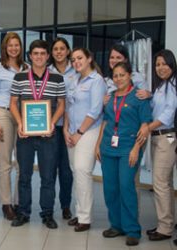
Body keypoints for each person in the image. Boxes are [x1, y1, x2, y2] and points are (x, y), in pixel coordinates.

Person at [9, 40, 65, 228]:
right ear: (30, 56)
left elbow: (62, 105)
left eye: (43, 53)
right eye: (36, 53)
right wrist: (19, 124)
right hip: (25, 135)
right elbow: (13, 103)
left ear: (48, 56)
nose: (39, 56)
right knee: (24, 176)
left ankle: (47, 214)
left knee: (48, 177)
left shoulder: (58, 78)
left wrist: (51, 123)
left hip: (48, 135)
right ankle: (23, 213)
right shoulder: (19, 77)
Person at [95, 62, 152, 246]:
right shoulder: (110, 97)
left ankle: (132, 230)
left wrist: (136, 148)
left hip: (129, 147)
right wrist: (97, 145)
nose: (118, 78)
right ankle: (116, 225)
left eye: (122, 75)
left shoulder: (139, 97)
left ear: (130, 76)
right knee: (110, 188)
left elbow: (144, 126)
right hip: (108, 147)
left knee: (126, 186)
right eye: (115, 75)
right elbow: (105, 122)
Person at [0, 32, 28, 220]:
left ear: (20, 47)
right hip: (2, 113)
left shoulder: (26, 67)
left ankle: (19, 202)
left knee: (22, 162)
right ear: (5, 48)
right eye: (10, 45)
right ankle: (6, 204)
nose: (13, 48)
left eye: (16, 45)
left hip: (22, 115)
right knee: (5, 162)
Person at [64, 47, 106, 232]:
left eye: (80, 58)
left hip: (88, 131)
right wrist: (66, 129)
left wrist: (79, 133)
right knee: (76, 172)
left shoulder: (96, 80)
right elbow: (68, 105)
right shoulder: (73, 79)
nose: (76, 62)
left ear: (89, 58)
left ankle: (85, 218)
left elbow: (96, 110)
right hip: (72, 131)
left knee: (82, 171)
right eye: (73, 60)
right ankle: (79, 213)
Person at [145, 49, 177, 242]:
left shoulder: (173, 86)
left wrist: (147, 128)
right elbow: (155, 109)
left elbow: (167, 114)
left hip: (166, 137)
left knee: (159, 183)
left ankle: (164, 228)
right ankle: (168, 223)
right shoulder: (161, 86)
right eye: (158, 64)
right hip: (157, 137)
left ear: (172, 64)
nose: (161, 67)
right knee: (166, 183)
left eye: (164, 63)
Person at [48, 37, 76, 220]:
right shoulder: (47, 71)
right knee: (49, 169)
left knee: (67, 170)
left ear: (68, 51)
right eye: (55, 49)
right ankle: (48, 208)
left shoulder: (78, 69)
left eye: (62, 48)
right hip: (51, 126)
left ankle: (65, 205)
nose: (58, 52)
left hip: (71, 127)